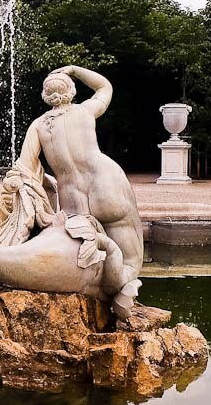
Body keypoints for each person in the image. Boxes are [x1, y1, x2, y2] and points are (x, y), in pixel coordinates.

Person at [15, 65, 143, 316]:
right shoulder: (84, 111)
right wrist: (74, 69)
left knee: (89, 253)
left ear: (45, 95)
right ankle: (125, 285)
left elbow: (25, 166)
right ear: (72, 90)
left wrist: (44, 184)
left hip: (72, 197)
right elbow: (105, 87)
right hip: (105, 182)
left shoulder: (39, 126)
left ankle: (105, 291)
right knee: (131, 257)